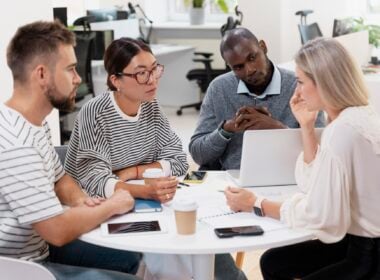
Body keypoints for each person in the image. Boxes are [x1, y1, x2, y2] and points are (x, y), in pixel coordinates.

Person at [225, 37, 380, 279]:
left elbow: (322, 216)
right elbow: (314, 184)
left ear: (324, 83)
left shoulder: (343, 131)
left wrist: (257, 204)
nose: (296, 92)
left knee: (276, 262)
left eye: (300, 82)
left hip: (369, 255)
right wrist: (306, 127)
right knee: (274, 262)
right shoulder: (357, 115)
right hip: (356, 240)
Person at [0, 21, 141, 279]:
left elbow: (59, 178)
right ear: (41, 74)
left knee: (130, 256)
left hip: (40, 248)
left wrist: (81, 201)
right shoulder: (15, 143)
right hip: (19, 268)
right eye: (71, 69)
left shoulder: (33, 124)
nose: (79, 79)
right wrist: (113, 205)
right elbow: (56, 230)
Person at [65, 38, 188, 202]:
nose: (152, 80)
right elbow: (94, 181)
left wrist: (132, 172)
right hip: (86, 202)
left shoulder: (151, 106)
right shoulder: (95, 112)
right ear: (116, 81)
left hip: (129, 194)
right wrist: (145, 191)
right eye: (141, 73)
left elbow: (179, 161)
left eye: (154, 69)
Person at [189, 27, 324, 170]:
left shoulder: (299, 86)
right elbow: (198, 154)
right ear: (230, 67)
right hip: (233, 181)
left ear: (263, 47)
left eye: (252, 58)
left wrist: (279, 129)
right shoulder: (219, 89)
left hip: (290, 177)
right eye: (239, 67)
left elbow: (321, 152)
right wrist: (225, 130)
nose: (250, 70)